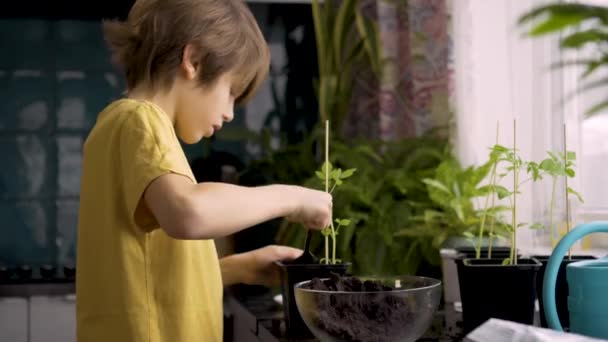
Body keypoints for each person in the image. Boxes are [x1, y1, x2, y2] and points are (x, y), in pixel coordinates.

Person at [75, 0, 332, 341]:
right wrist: (294, 198)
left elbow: (146, 277)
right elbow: (189, 213)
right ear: (193, 61)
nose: (229, 113)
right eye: (231, 92)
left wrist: (239, 268)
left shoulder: (115, 129)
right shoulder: (141, 121)